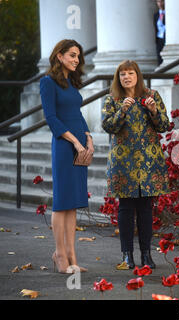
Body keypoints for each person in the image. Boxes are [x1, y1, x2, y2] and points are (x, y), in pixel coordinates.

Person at [101, 60, 170, 269]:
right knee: (126, 207)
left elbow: (164, 125)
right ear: (118, 77)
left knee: (146, 208)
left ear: (137, 75)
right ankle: (127, 255)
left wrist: (154, 111)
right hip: (123, 160)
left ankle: (147, 255)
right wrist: (122, 110)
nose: (126, 77)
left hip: (148, 160)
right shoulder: (112, 99)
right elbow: (108, 126)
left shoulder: (151, 96)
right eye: (122, 74)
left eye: (130, 73)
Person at [40, 39, 94, 274]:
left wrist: (88, 138)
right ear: (59, 56)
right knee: (62, 203)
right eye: (72, 55)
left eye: (78, 56)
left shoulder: (71, 83)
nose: (76, 60)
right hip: (64, 145)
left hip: (80, 144)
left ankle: (72, 256)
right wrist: (74, 141)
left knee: (73, 204)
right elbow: (51, 118)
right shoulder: (47, 82)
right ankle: (60, 255)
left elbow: (76, 114)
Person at [154, 0, 166, 65]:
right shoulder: (156, 15)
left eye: (161, 1)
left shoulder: (168, 13)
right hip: (159, 38)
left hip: (166, 38)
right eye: (158, 1)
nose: (160, 3)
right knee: (159, 57)